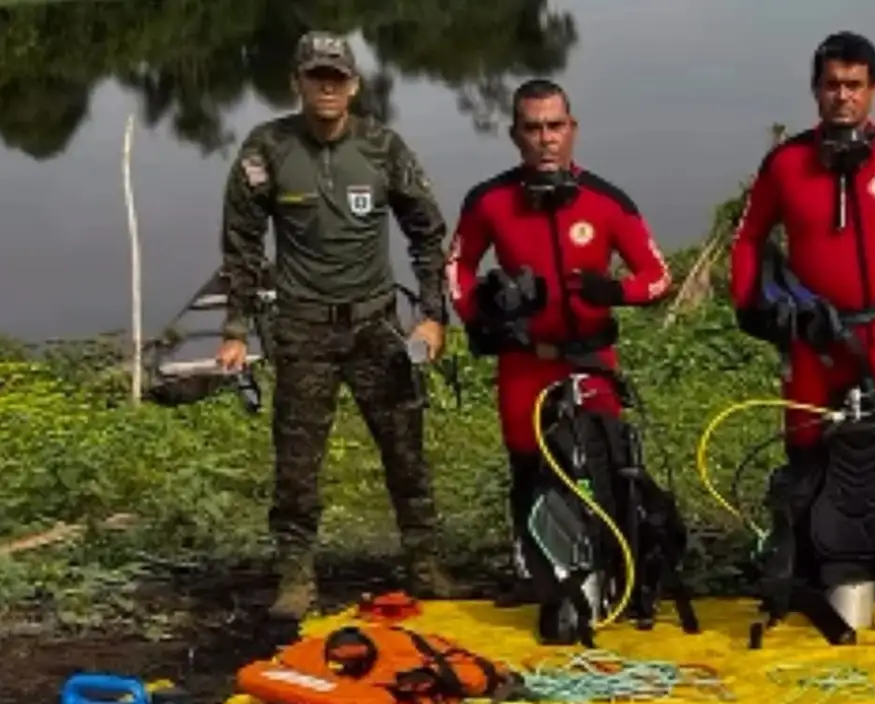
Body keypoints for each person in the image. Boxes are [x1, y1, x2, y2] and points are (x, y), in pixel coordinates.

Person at [215, 32, 460, 620]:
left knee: (405, 451)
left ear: (354, 84)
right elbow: (242, 244)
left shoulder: (382, 147)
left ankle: (424, 560)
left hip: (377, 325)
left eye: (338, 76)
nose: (327, 86)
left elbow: (428, 232)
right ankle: (296, 573)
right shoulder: (267, 148)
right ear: (297, 81)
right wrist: (235, 327)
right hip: (302, 329)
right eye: (316, 75)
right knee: (297, 463)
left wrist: (431, 316)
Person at [444, 78, 675, 600]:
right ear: (514, 135)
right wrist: (478, 314)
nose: (545, 138)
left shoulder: (607, 202)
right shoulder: (490, 202)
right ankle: (537, 573)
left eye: (555, 126)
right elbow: (456, 265)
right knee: (529, 464)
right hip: (526, 360)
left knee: (603, 461)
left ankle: (613, 567)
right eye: (533, 128)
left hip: (590, 357)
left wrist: (614, 289)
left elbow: (657, 275)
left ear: (572, 130)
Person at [728, 30, 875, 455]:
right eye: (832, 84)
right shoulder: (784, 164)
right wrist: (746, 301)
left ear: (874, 89)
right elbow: (748, 237)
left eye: (854, 85)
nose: (843, 96)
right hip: (810, 339)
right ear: (815, 89)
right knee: (803, 456)